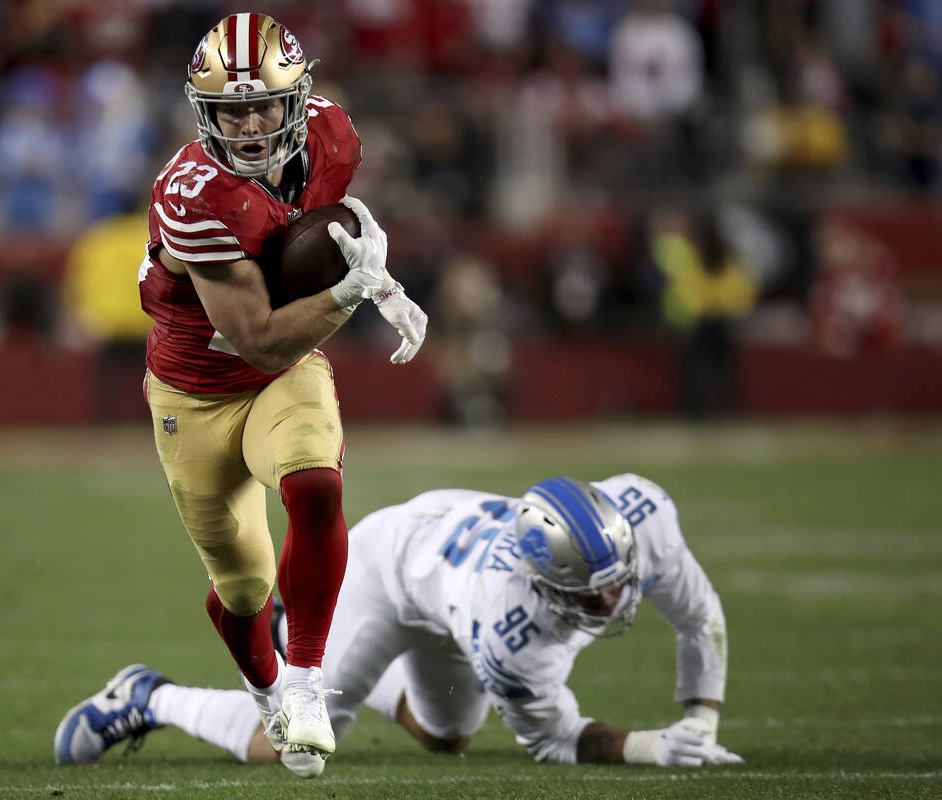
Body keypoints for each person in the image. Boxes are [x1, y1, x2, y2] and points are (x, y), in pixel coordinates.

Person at [52, 13, 428, 779]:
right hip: (195, 394)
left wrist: (363, 272)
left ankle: (307, 683)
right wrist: (354, 290)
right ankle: (265, 700)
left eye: (264, 106)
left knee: (316, 482)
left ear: (298, 101)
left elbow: (302, 260)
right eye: (231, 110)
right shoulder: (193, 194)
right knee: (244, 587)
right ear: (203, 113)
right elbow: (257, 335)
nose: (251, 124)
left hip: (284, 379)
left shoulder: (331, 139)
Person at [53, 474, 743, 775]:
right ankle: (146, 696)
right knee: (296, 748)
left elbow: (699, 615)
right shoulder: (504, 621)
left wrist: (701, 720)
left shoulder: (642, 520)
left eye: (616, 583)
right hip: (386, 570)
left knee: (448, 739)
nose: (613, 603)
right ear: (543, 582)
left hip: (445, 571)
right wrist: (653, 748)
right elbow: (554, 740)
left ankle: (313, 646)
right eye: (591, 597)